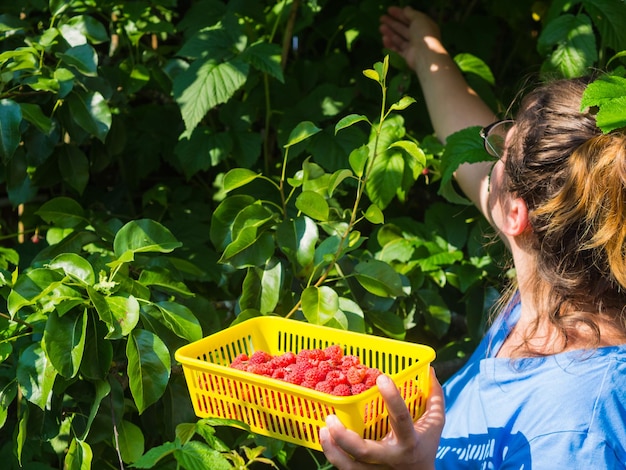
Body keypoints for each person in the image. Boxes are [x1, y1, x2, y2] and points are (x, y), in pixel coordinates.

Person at [319, 5, 626, 469]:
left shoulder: (580, 430)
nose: (488, 158)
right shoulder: (556, 288)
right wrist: (425, 51)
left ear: (516, 214)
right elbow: (473, 154)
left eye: (501, 149)